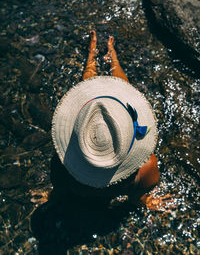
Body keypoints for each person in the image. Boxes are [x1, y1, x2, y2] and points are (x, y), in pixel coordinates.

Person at [31, 30, 173, 211]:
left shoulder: (62, 165)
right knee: (116, 98)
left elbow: (59, 191)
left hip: (81, 189)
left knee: (92, 108)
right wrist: (145, 202)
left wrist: (51, 197)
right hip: (122, 185)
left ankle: (93, 57)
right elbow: (136, 198)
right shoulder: (147, 169)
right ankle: (113, 59)